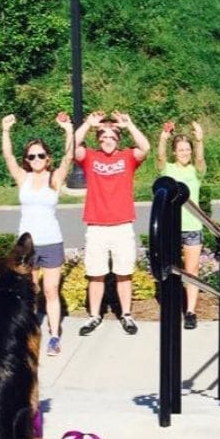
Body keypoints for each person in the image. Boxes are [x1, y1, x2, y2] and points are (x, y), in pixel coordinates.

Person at [0, 111, 74, 356]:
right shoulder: (23, 178)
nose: (36, 159)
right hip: (27, 245)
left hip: (51, 241)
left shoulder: (55, 178)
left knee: (51, 290)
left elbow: (69, 157)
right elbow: (8, 156)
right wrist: (6, 130)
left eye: (41, 155)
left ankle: (54, 337)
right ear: (27, 160)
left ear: (48, 158)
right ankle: (28, 335)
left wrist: (69, 131)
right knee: (29, 292)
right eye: (31, 156)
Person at [72, 110, 150, 336]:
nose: (108, 140)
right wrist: (87, 124)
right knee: (95, 274)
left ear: (119, 139)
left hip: (122, 225)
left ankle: (126, 314)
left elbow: (145, 148)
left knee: (124, 273)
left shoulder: (127, 157)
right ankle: (94, 316)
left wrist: (129, 125)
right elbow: (72, 147)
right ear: (98, 139)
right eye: (103, 136)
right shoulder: (90, 158)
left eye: (113, 136)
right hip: (96, 225)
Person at [158, 120, 207, 330]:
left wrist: (200, 140)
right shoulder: (168, 169)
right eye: (181, 150)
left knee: (191, 270)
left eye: (187, 149)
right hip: (171, 226)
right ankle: (171, 306)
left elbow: (200, 159)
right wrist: (163, 138)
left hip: (192, 226)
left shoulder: (196, 171)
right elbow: (160, 158)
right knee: (170, 269)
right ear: (174, 152)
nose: (185, 153)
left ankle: (190, 311)